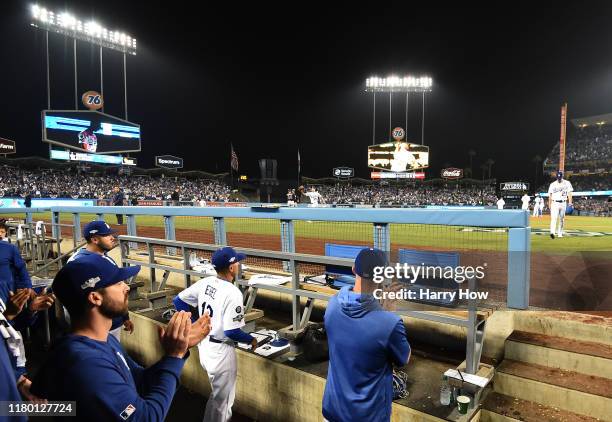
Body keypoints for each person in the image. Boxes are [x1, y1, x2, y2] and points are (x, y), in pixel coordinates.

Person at [30, 254, 211, 421]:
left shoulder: (101, 341)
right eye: (117, 283)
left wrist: (176, 353)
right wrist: (174, 357)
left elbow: (139, 380)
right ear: (95, 298)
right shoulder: (85, 362)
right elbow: (146, 418)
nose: (126, 287)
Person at [322, 248, 411, 422]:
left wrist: (383, 313)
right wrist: (389, 313)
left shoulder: (332, 305)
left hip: (332, 411)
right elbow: (404, 358)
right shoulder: (389, 323)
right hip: (368, 417)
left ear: (354, 269)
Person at [172, 246, 257, 422]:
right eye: (238, 262)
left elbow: (178, 300)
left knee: (218, 396)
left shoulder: (206, 282)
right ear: (232, 268)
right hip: (221, 352)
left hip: (204, 347)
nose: (240, 264)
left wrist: (195, 323)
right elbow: (231, 331)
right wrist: (251, 339)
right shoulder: (233, 293)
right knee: (224, 403)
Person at [67, 220, 133, 340]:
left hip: (113, 324)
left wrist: (124, 317)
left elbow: (117, 289)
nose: (112, 238)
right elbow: (73, 300)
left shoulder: (107, 258)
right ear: (95, 240)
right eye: (107, 235)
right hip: (94, 329)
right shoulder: (77, 263)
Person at [548, 170, 573, 239]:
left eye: (560, 177)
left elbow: (569, 193)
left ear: (562, 176)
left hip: (563, 203)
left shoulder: (567, 183)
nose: (559, 179)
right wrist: (549, 204)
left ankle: (560, 233)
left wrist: (570, 203)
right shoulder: (552, 184)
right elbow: (550, 195)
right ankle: (552, 233)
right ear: (556, 177)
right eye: (558, 177)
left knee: (562, 219)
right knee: (554, 218)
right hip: (554, 203)